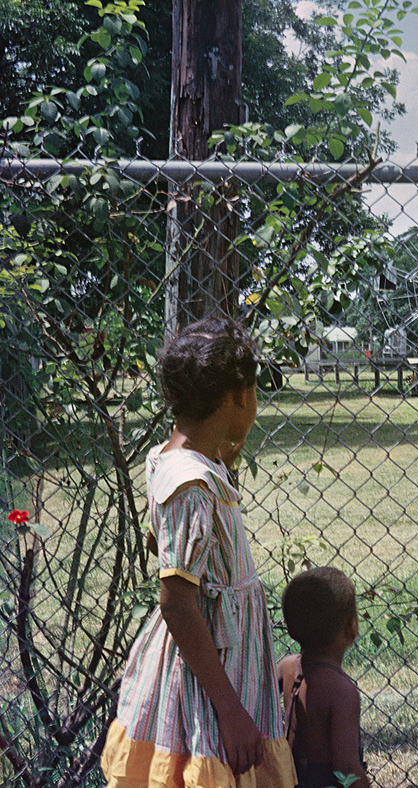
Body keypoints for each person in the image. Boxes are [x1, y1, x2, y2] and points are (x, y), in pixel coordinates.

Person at [101, 316, 295, 788]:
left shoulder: (175, 459)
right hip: (211, 679)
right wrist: (229, 710)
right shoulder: (191, 486)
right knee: (209, 766)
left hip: (223, 661)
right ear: (239, 396)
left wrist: (231, 442)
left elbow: (170, 544)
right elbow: (177, 603)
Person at [278, 566, 370, 788]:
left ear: (290, 629)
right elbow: (346, 769)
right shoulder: (342, 692)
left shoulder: (286, 667)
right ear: (352, 627)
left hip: (290, 778)